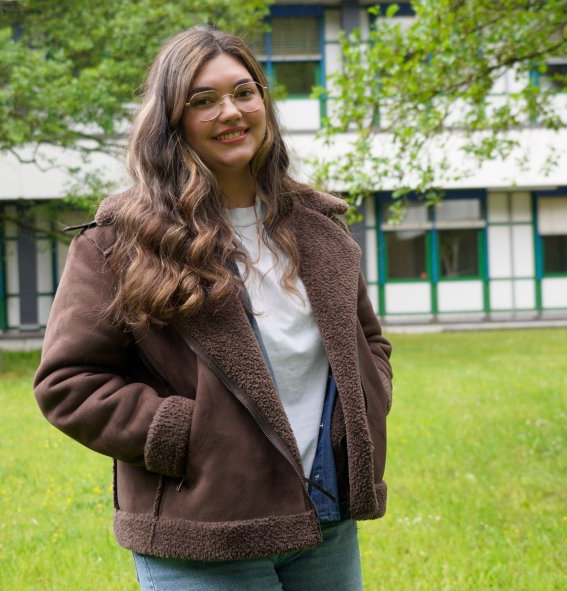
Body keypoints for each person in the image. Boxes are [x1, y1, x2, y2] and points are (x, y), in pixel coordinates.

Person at [33, 26, 392, 590]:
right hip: (203, 528)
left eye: (244, 92)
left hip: (327, 518)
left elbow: (367, 341)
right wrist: (186, 434)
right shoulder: (120, 242)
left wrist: (367, 402)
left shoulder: (319, 228)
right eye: (203, 100)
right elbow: (68, 381)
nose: (231, 111)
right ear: (171, 121)